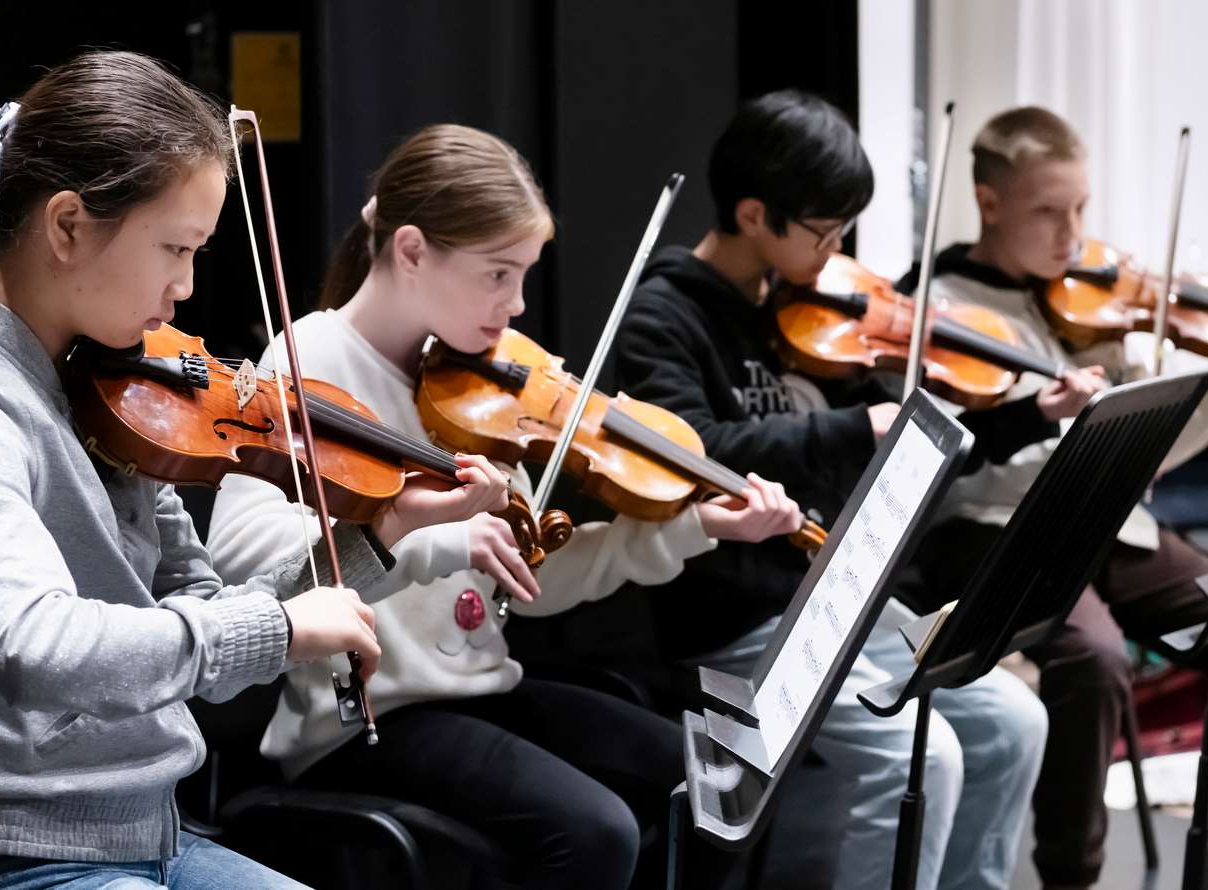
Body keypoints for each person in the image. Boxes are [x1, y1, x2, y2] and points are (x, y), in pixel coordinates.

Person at [0, 50, 497, 890]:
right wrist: (282, 632)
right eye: (175, 248)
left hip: (150, 835)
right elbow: (35, 644)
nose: (184, 289)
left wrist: (383, 530)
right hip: (2, 859)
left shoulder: (103, 391)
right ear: (68, 226)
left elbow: (205, 616)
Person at [206, 123, 804, 890]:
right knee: (595, 832)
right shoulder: (310, 362)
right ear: (413, 250)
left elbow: (534, 575)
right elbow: (244, 563)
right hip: (366, 718)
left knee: (726, 780)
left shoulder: (471, 389)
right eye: (498, 274)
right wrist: (430, 541)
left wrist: (696, 526)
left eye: (524, 275)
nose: (516, 305)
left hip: (482, 692)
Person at [616, 89, 1059, 890]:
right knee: (922, 758)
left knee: (1013, 724)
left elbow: (897, 446)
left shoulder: (803, 310)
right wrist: (853, 428)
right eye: (825, 231)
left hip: (833, 597)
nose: (840, 249)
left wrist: (1024, 418)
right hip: (737, 618)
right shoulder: (663, 318)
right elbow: (694, 454)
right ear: (755, 216)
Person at [902, 105, 1208, 890]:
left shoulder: (1089, 305)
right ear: (988, 201)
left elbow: (1155, 453)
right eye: (1047, 210)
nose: (1071, 233)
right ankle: (1071, 875)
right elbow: (960, 462)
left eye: (1080, 210)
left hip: (1117, 529)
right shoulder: (935, 308)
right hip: (1002, 532)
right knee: (1093, 659)